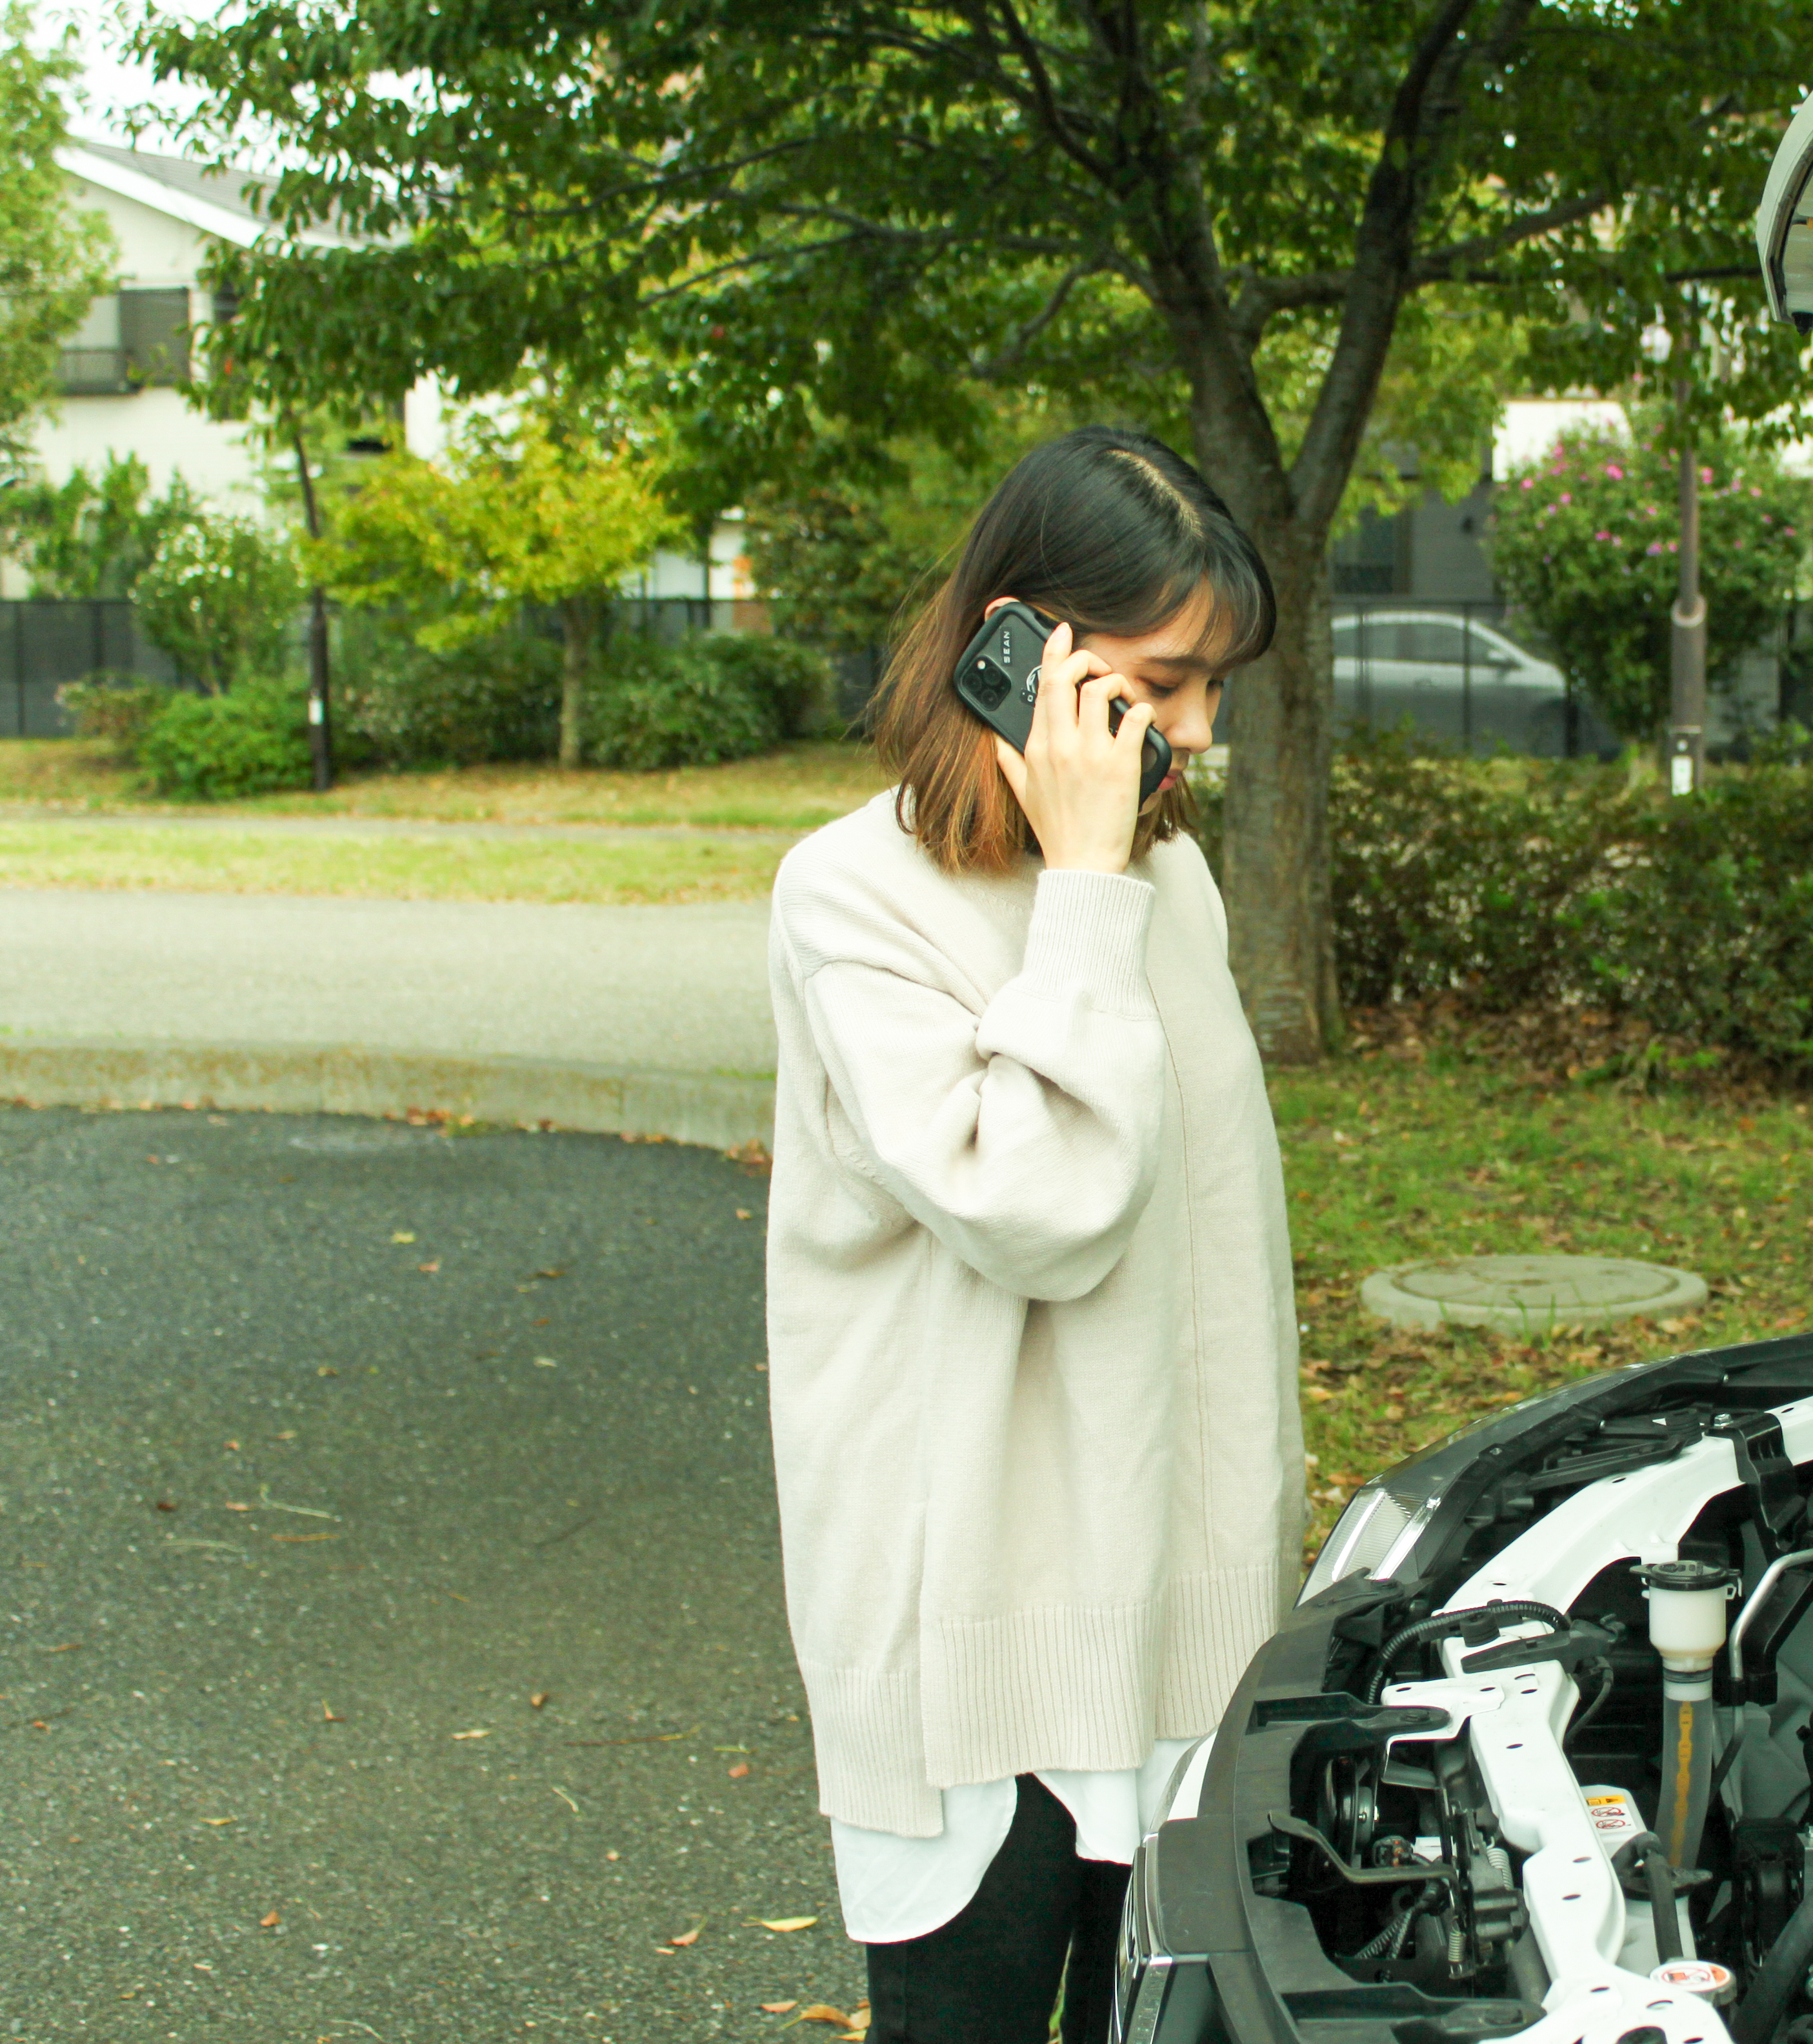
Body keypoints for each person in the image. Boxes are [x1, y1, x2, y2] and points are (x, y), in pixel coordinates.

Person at [761, 426, 1305, 2044]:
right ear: (1027, 650)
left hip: (1176, 1606)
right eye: (1169, 679)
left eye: (1219, 682)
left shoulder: (1167, 880)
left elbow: (1209, 1253)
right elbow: (1040, 1211)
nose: (1201, 726)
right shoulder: (854, 900)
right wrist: (1078, 882)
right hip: (977, 1623)